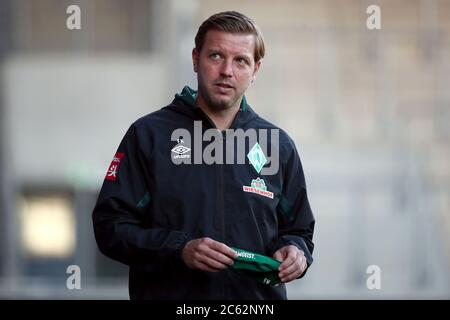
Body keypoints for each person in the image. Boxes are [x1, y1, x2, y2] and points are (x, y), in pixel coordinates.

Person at [92, 11, 315, 300]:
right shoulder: (148, 136)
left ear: (256, 69)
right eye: (216, 56)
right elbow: (110, 227)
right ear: (196, 59)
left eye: (241, 61)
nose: (227, 71)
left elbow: (299, 229)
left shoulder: (277, 144)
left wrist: (297, 251)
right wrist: (179, 249)